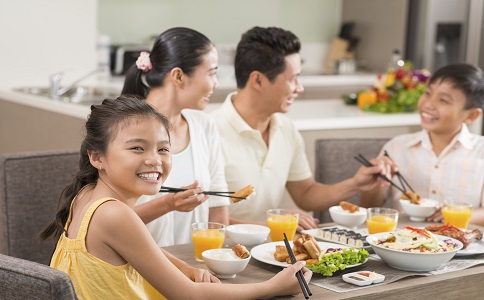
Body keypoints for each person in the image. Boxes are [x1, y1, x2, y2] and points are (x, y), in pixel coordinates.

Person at [39, 96, 312, 299]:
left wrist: (185, 268)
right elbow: (189, 296)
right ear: (97, 157)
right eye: (137, 148)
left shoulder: (87, 195)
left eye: (163, 149)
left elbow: (143, 248)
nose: (154, 161)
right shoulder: (114, 214)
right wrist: (272, 287)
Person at [210, 26, 390, 230]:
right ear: (258, 80)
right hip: (218, 254)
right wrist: (274, 224)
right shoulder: (208, 133)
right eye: (292, 79)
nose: (300, 88)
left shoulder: (285, 129)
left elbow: (306, 194)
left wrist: (356, 183)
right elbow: (203, 220)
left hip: (269, 250)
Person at [122, 27, 229, 246]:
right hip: (138, 273)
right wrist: (166, 204)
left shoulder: (204, 126)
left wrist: (216, 261)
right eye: (211, 73)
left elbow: (218, 206)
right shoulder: (124, 129)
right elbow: (104, 221)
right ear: (178, 76)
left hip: (196, 270)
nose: (216, 83)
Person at [360, 63, 484, 226]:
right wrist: (375, 180)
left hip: (465, 247)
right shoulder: (397, 147)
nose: (429, 104)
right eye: (427, 93)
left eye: (443, 100)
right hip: (402, 244)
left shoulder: (480, 152)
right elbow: (368, 208)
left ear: (471, 115)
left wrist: (456, 215)